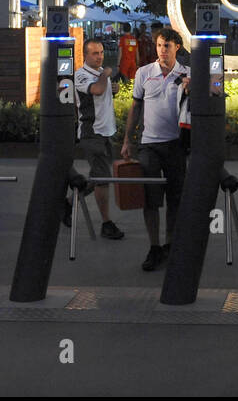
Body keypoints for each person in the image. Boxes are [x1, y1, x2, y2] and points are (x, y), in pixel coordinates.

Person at [121, 26, 190, 271]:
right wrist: (128, 140)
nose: (162, 50)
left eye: (167, 46)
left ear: (177, 48)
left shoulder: (187, 74)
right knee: (150, 198)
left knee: (175, 197)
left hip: (175, 143)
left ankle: (171, 244)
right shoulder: (143, 73)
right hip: (149, 144)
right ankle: (154, 246)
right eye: (160, 45)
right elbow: (136, 107)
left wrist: (192, 90)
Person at [69, 38, 126, 240]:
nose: (100, 56)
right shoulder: (81, 75)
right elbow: (97, 90)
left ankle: (71, 201)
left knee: (101, 175)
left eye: (101, 52)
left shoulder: (100, 74)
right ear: (85, 55)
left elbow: (102, 94)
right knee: (103, 179)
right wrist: (105, 76)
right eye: (95, 53)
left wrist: (112, 89)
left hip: (105, 132)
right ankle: (106, 223)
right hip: (91, 133)